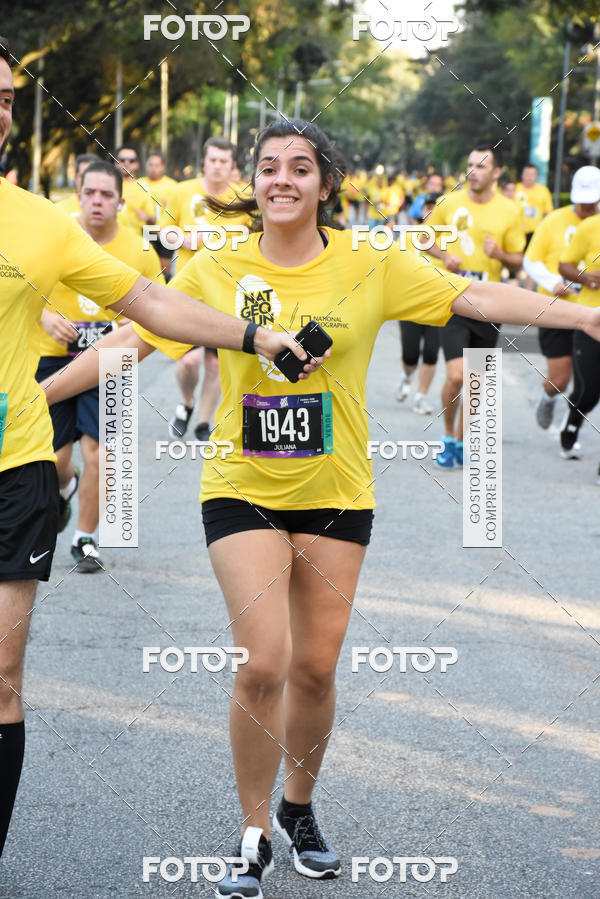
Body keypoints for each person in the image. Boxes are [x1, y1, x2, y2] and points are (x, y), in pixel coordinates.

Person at [42, 119, 600, 898]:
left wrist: (580, 316)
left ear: (325, 184)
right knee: (264, 660)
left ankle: (298, 807)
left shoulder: (371, 264)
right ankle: (251, 831)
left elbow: (473, 294)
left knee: (314, 668)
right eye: (268, 168)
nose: (281, 180)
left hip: (339, 492)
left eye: (299, 169)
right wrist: (36, 399)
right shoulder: (214, 267)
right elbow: (128, 346)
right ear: (254, 182)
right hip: (242, 485)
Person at [0, 33, 313, 860]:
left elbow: (145, 302)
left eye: (6, 98)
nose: (1, 111)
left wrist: (252, 334)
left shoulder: (39, 224)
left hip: (12, 465)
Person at [35, 160, 166, 572]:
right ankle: (66, 485)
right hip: (52, 359)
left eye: (106, 194)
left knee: (103, 454)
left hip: (111, 362)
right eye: (89, 193)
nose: (97, 201)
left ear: (121, 202)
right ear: (78, 196)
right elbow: (17, 284)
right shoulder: (52, 236)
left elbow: (159, 310)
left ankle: (85, 539)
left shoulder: (140, 251)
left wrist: (129, 325)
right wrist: (43, 316)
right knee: (55, 460)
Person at [426, 143, 525, 468]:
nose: (474, 171)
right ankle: (447, 436)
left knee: (477, 381)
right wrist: (444, 256)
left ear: (496, 173)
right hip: (452, 298)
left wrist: (499, 255)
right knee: (457, 376)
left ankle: (464, 439)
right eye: (470, 164)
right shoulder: (448, 203)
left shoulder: (509, 210)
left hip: (489, 304)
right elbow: (423, 239)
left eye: (481, 166)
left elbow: (518, 259)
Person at [166, 137, 247, 442]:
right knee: (189, 361)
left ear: (232, 165)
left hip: (225, 293)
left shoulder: (244, 197)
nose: (217, 166)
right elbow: (164, 229)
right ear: (204, 161)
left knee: (215, 363)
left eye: (223, 162)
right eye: (212, 160)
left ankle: (203, 421)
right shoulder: (182, 191)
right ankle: (187, 403)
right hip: (187, 290)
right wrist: (182, 239)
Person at [523, 166, 600, 431]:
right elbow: (530, 260)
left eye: (591, 203)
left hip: (591, 312)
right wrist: (552, 282)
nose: (586, 207)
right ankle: (548, 396)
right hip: (556, 308)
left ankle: (571, 428)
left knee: (585, 381)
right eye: (582, 202)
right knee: (560, 379)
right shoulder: (554, 220)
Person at [396, 192, 443, 413]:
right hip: (410, 304)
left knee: (432, 352)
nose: (432, 212)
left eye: (436, 207)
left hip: (437, 304)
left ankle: (421, 396)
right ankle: (407, 376)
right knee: (410, 354)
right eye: (428, 207)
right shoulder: (409, 236)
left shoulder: (450, 238)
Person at [558, 208, 600, 460]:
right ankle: (572, 422)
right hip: (591, 320)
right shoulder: (590, 226)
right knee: (589, 391)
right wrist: (586, 277)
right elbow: (565, 265)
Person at [138, 150, 178, 278]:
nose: (153, 168)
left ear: (163, 167)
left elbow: (177, 210)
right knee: (148, 265)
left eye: (157, 165)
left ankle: (164, 290)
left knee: (165, 268)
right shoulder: (139, 184)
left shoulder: (173, 185)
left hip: (165, 231)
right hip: (145, 230)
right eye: (150, 165)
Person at [114, 143, 156, 235]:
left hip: (134, 241)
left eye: (131, 160)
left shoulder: (143, 188)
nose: (127, 163)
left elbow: (153, 219)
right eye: (122, 160)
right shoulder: (107, 185)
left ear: (137, 164)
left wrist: (147, 218)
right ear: (116, 163)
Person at [515, 163, 554, 251]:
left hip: (536, 233)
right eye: (527, 174)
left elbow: (549, 213)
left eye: (532, 174)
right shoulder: (515, 189)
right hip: (516, 232)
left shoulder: (543, 191)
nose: (529, 177)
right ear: (522, 175)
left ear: (536, 176)